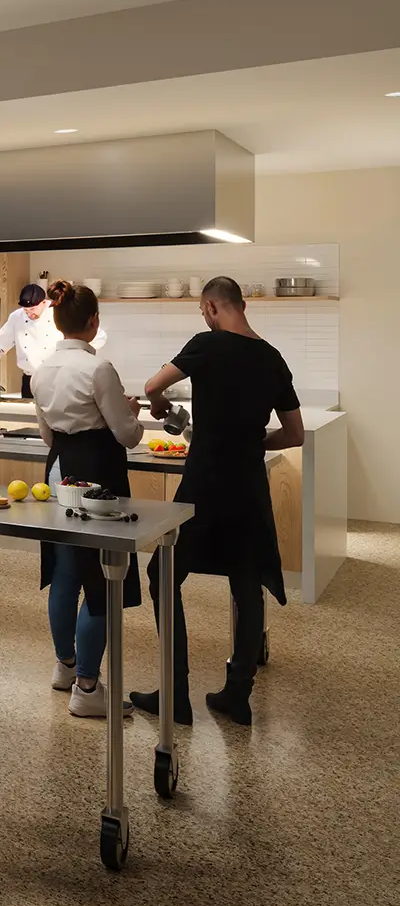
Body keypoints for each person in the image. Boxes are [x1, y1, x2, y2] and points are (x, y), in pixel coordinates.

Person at [132, 276, 303, 728]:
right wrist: (252, 441)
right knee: (246, 582)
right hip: (248, 484)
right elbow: (295, 434)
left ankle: (175, 694)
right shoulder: (273, 358)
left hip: (204, 484)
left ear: (211, 307)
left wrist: (160, 404)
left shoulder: (206, 345)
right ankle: (237, 695)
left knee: (163, 575)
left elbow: (152, 385)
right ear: (241, 304)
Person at [31, 281, 144, 719]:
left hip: (58, 469)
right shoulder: (99, 369)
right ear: (94, 321)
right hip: (98, 474)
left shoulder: (40, 371)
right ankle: (88, 687)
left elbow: (48, 436)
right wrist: (131, 413)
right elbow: (127, 436)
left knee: (64, 573)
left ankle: (65, 665)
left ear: (58, 322)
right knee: (101, 578)